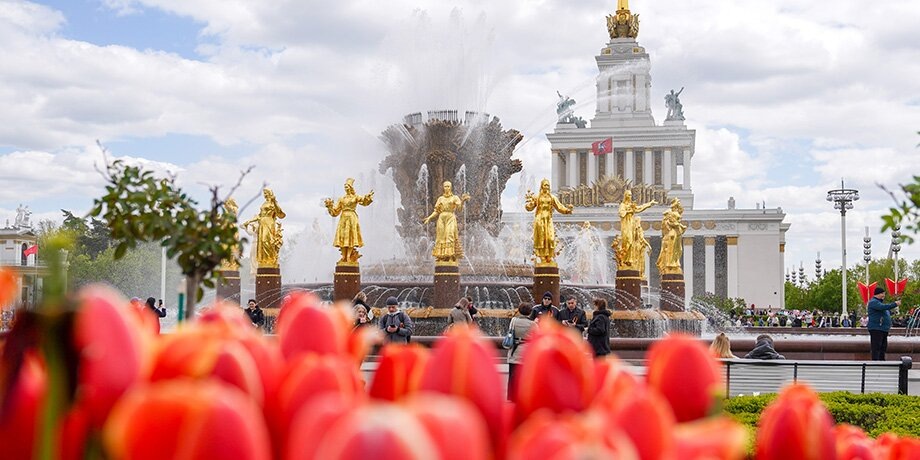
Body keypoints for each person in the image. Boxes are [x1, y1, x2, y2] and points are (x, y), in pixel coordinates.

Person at [324, 178, 374, 264]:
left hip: (352, 218)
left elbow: (364, 201)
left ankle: (348, 257)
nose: (346, 188)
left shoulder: (355, 197)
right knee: (343, 237)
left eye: (347, 186)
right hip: (343, 218)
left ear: (350, 187)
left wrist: (367, 197)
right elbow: (335, 212)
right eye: (345, 186)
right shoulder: (341, 199)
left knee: (351, 237)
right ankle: (343, 257)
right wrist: (330, 207)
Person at [524, 179, 572, 265]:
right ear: (542, 186)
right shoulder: (537, 197)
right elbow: (530, 208)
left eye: (548, 185)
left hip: (548, 219)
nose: (546, 187)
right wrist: (528, 203)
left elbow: (559, 207)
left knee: (550, 238)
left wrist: (567, 210)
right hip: (539, 219)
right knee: (541, 238)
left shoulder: (552, 197)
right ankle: (541, 256)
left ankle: (549, 255)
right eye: (545, 185)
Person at [422, 181, 470, 263]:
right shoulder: (440, 199)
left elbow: (459, 209)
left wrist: (462, 201)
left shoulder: (455, 198)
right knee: (440, 237)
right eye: (445, 186)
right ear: (443, 188)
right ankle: (441, 256)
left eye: (448, 186)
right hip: (441, 218)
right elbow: (436, 211)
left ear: (450, 187)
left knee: (449, 235)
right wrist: (429, 218)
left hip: (450, 217)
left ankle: (450, 256)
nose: (447, 188)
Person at [507, 303, 535, 401]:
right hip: (526, 351)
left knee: (512, 375)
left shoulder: (514, 320)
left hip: (514, 350)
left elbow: (510, 332)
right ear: (530, 312)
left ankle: (511, 396)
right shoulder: (533, 324)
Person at [867, 286, 901, 361]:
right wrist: (894, 304)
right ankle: (876, 363)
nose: (884, 295)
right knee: (876, 347)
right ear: (877, 294)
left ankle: (882, 362)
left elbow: (885, 309)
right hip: (876, 328)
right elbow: (883, 307)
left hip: (882, 329)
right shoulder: (873, 302)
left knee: (883, 347)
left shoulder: (879, 303)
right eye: (882, 293)